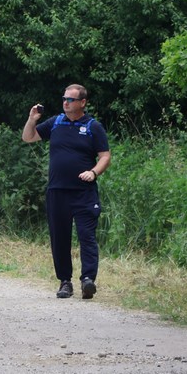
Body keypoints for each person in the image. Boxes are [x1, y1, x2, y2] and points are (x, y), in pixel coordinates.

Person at [22, 84, 111, 299]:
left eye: (70, 99)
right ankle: (65, 281)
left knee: (86, 235)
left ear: (82, 103)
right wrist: (32, 119)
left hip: (84, 192)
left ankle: (88, 280)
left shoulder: (92, 126)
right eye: (64, 98)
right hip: (57, 191)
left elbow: (105, 156)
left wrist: (94, 172)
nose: (66, 102)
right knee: (59, 238)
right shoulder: (55, 122)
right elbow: (28, 138)